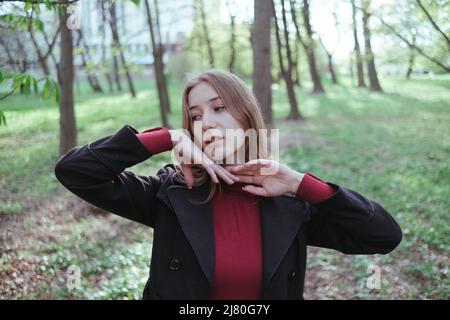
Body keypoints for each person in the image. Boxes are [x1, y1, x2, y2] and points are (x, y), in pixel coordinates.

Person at [54, 69, 402, 300]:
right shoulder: (171, 192)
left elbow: (383, 235)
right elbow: (76, 171)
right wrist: (166, 137)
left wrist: (301, 185)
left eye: (219, 108)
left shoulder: (288, 201)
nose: (205, 122)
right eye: (195, 115)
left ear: (246, 114)